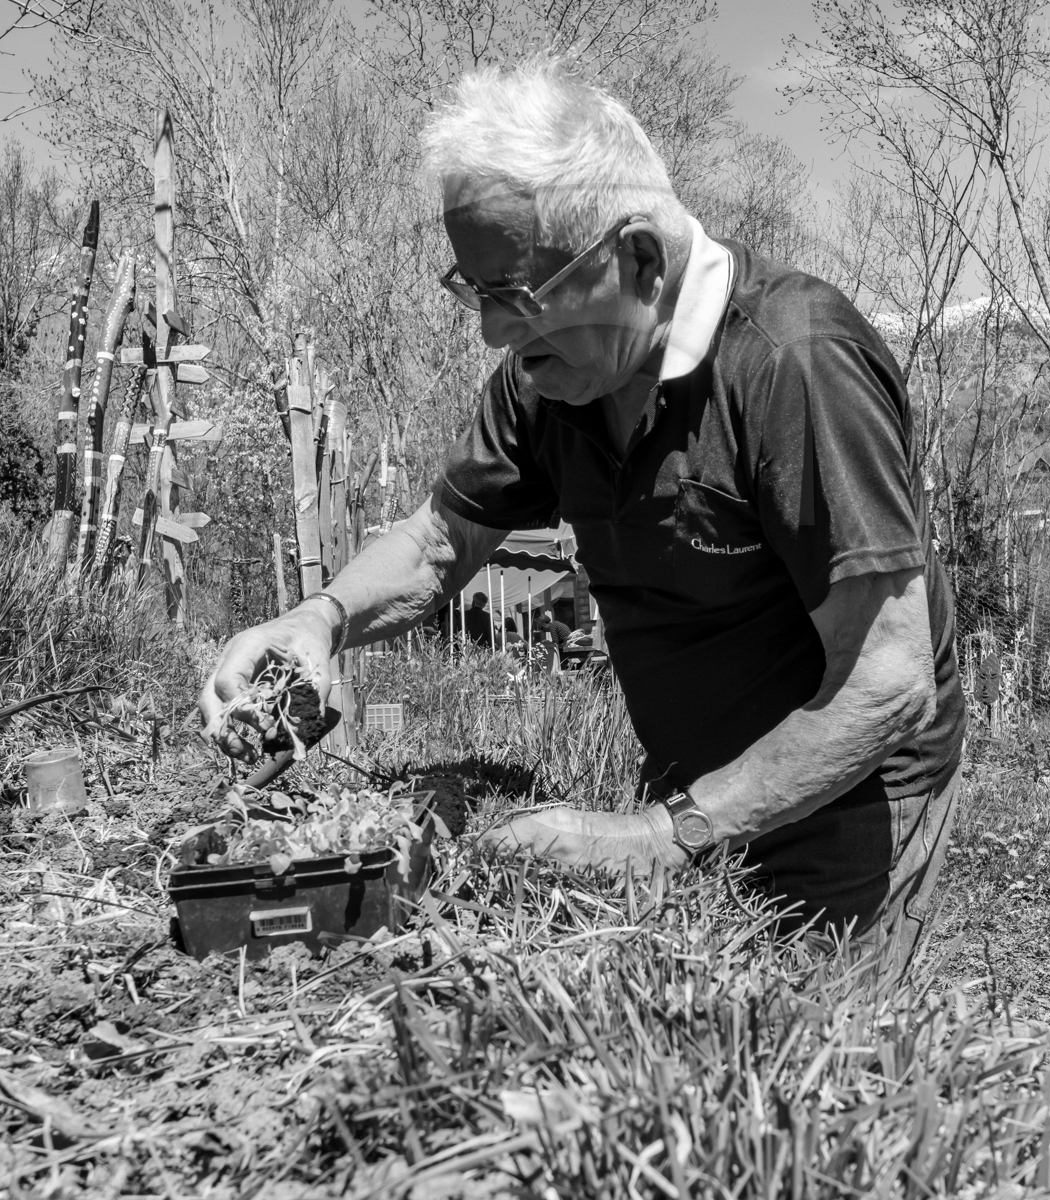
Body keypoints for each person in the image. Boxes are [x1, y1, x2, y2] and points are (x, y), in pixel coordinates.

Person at [200, 60, 966, 968]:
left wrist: (659, 834)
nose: (491, 333)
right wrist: (318, 621)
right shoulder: (554, 376)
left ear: (637, 258)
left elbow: (888, 678)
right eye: (474, 290)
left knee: (818, 1071)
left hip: (847, 800)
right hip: (690, 794)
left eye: (517, 295)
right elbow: (441, 541)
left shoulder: (795, 364)